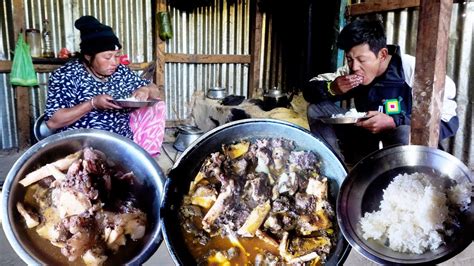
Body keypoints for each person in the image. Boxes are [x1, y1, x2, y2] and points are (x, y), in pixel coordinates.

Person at [303, 18, 458, 165]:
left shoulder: (414, 71)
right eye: (350, 59)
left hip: (406, 150)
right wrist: (332, 88)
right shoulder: (349, 71)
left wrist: (395, 121)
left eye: (362, 60)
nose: (355, 67)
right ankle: (338, 169)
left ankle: (400, 183)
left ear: (382, 55)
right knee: (316, 111)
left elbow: (448, 121)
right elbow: (309, 90)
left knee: (403, 132)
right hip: (366, 143)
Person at [44, 15, 161, 140]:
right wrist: (92, 104)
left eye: (117, 56)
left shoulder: (121, 71)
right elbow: (53, 122)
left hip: (120, 141)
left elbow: (156, 91)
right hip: (80, 143)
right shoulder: (67, 75)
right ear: (88, 56)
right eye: (107, 57)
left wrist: (146, 89)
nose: (115, 62)